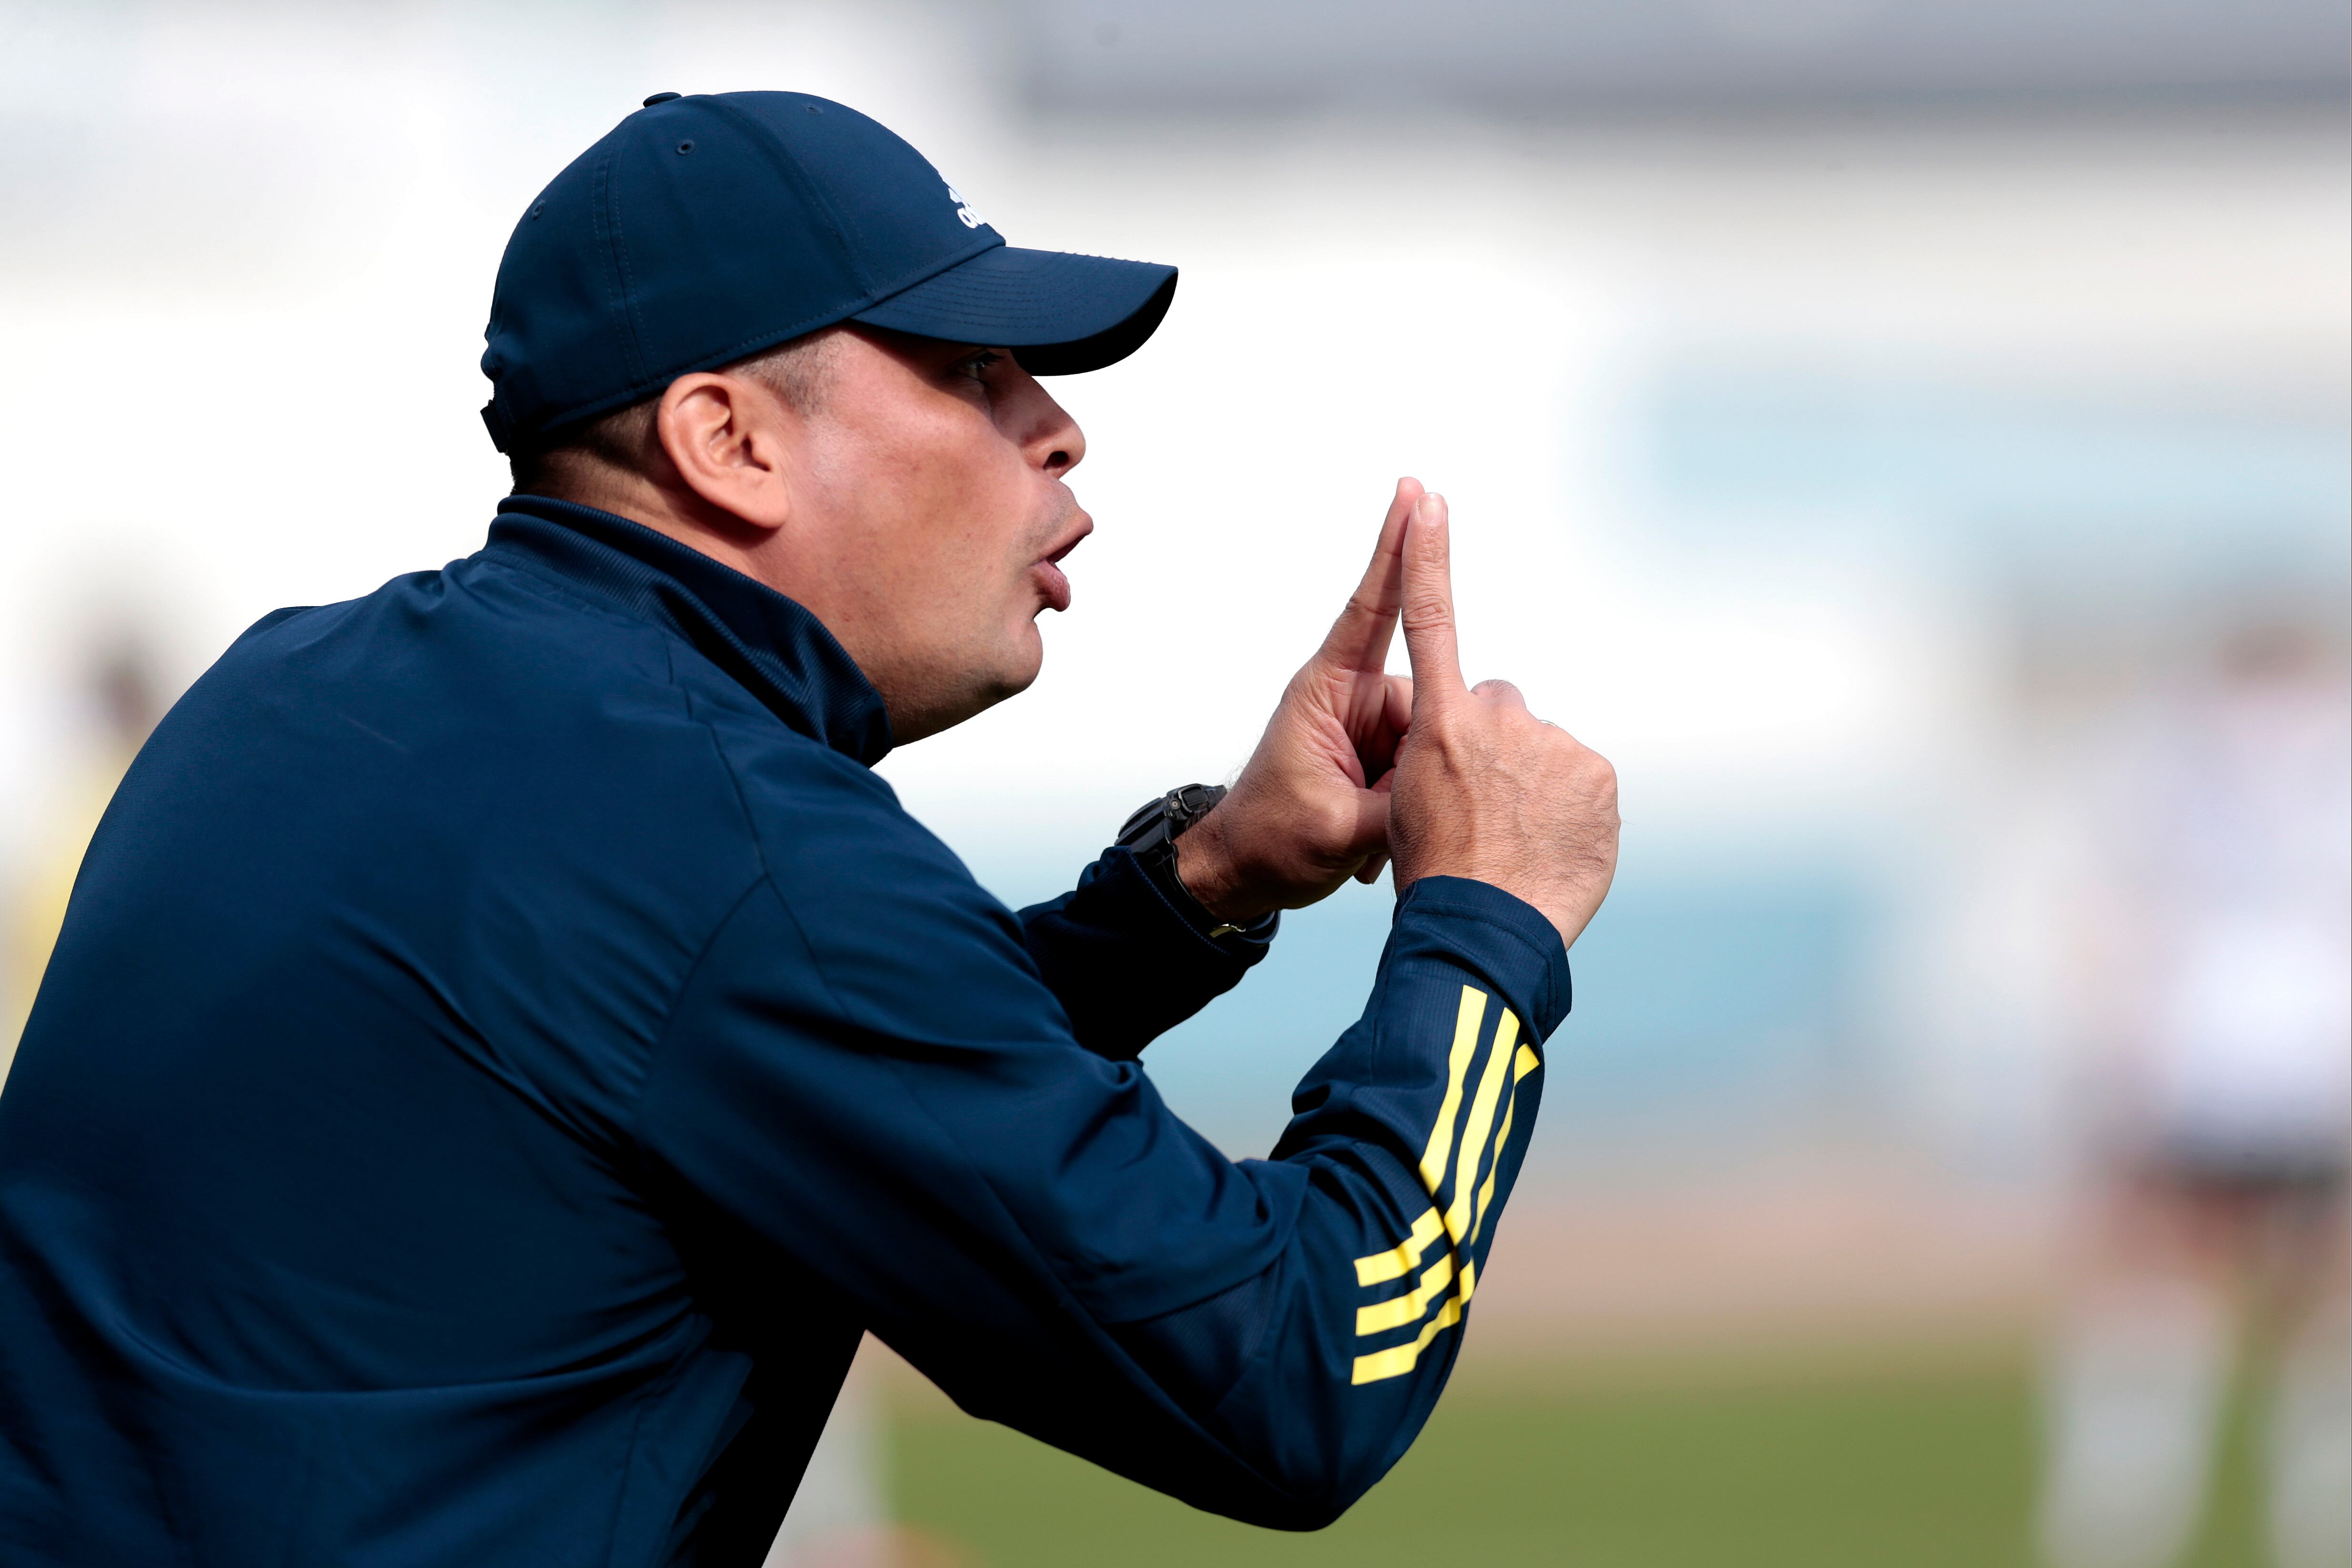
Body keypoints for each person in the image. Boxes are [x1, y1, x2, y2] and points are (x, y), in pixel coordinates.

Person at [0, 91, 1618, 1566]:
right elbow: (1301, 1369)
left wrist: (1193, 886)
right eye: (972, 371)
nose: (1055, 428)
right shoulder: (732, 840)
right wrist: (1485, 920)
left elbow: (736, 1047)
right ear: (729, 440)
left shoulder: (283, 687)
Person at [2038, 621, 2350, 1568]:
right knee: (2272, 1292)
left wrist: (2118, 1050)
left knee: (2167, 1284)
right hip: (2263, 1048)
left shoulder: (2161, 759)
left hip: (2215, 1048)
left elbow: (2109, 915)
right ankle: (2284, 1518)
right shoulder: (2181, 762)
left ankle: (2122, 1519)